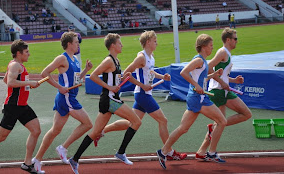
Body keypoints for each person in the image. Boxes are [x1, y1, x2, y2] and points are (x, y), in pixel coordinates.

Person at [94, 31, 187, 161]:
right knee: (163, 120)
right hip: (143, 94)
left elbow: (150, 71)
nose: (157, 43)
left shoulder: (151, 56)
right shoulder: (141, 57)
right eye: (155, 41)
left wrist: (162, 77)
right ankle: (168, 151)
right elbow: (127, 73)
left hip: (143, 93)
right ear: (148, 42)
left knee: (130, 123)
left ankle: (101, 131)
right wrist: (142, 85)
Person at [68, 33, 142, 174]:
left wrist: (124, 78)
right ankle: (121, 152)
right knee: (136, 122)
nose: (122, 45)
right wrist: (110, 88)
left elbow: (113, 80)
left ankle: (74, 159)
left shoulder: (116, 61)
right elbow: (94, 76)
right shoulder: (108, 61)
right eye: (120, 43)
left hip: (109, 99)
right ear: (113, 45)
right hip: (110, 100)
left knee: (95, 132)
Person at [156, 34, 227, 170]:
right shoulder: (199, 60)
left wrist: (214, 75)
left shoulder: (203, 61)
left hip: (198, 97)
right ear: (204, 47)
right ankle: (211, 152)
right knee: (222, 121)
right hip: (198, 98)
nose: (212, 48)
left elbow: (201, 78)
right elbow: (183, 72)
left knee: (183, 128)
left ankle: (163, 151)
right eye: (211, 46)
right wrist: (196, 85)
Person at [0, 39, 42, 174]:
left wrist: (26, 85)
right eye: (26, 52)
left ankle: (27, 164)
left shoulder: (17, 65)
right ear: (18, 53)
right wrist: (29, 83)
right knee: (1, 136)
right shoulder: (15, 65)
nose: (29, 54)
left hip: (22, 106)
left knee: (36, 130)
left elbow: (6, 80)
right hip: (13, 107)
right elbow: (10, 82)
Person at [32, 32, 93, 173]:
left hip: (67, 98)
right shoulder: (62, 58)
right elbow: (44, 73)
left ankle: (37, 160)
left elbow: (76, 80)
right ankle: (63, 147)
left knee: (55, 131)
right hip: (67, 98)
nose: (78, 44)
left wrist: (86, 70)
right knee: (88, 124)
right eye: (76, 42)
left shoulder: (75, 59)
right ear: (69, 44)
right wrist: (59, 87)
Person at [196, 28, 252, 160]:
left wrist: (233, 80)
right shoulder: (222, 52)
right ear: (228, 40)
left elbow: (221, 74)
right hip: (219, 91)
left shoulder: (227, 53)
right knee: (245, 114)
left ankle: (201, 152)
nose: (237, 41)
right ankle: (211, 152)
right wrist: (222, 82)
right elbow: (208, 68)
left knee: (220, 122)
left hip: (223, 89)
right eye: (235, 38)